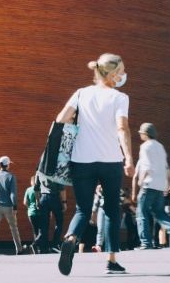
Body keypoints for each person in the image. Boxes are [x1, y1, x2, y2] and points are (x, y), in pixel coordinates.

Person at [56, 53, 134, 276]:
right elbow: (122, 129)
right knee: (111, 210)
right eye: (121, 71)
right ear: (112, 74)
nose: (123, 75)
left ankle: (70, 238)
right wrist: (128, 157)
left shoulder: (81, 94)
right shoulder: (119, 97)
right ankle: (112, 260)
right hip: (110, 161)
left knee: (82, 209)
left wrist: (82, 121)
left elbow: (61, 119)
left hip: (81, 160)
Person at [131, 122, 170, 250]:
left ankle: (146, 243)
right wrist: (167, 187)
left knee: (141, 213)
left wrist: (141, 181)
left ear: (145, 134)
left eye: (141, 133)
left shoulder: (145, 147)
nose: (140, 136)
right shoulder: (160, 147)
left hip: (149, 184)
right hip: (160, 186)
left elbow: (146, 166)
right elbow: (167, 172)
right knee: (158, 212)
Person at [0, 156, 25, 255]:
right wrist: (15, 206)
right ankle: (19, 249)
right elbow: (13, 193)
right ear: (8, 165)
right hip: (8, 206)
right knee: (14, 228)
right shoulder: (11, 176)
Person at [35, 174, 66, 254]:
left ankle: (44, 247)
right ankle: (54, 244)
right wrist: (64, 202)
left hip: (43, 197)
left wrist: (37, 201)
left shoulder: (39, 172)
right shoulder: (56, 171)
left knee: (45, 224)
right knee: (59, 221)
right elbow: (62, 188)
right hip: (54, 197)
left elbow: (36, 187)